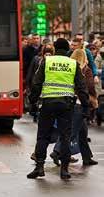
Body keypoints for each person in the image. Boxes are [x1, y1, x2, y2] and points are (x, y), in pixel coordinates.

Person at [27, 38, 89, 180]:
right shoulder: (73, 63)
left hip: (47, 103)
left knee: (43, 136)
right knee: (65, 137)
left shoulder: (47, 62)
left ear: (54, 48)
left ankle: (39, 167)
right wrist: (85, 106)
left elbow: (36, 83)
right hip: (66, 105)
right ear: (68, 50)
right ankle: (64, 170)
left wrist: (32, 102)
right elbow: (81, 87)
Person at [50, 49, 98, 166]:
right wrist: (93, 98)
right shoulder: (85, 70)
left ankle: (87, 157)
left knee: (82, 132)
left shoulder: (68, 68)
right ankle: (57, 151)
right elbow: (89, 86)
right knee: (71, 131)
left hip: (68, 101)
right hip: (80, 103)